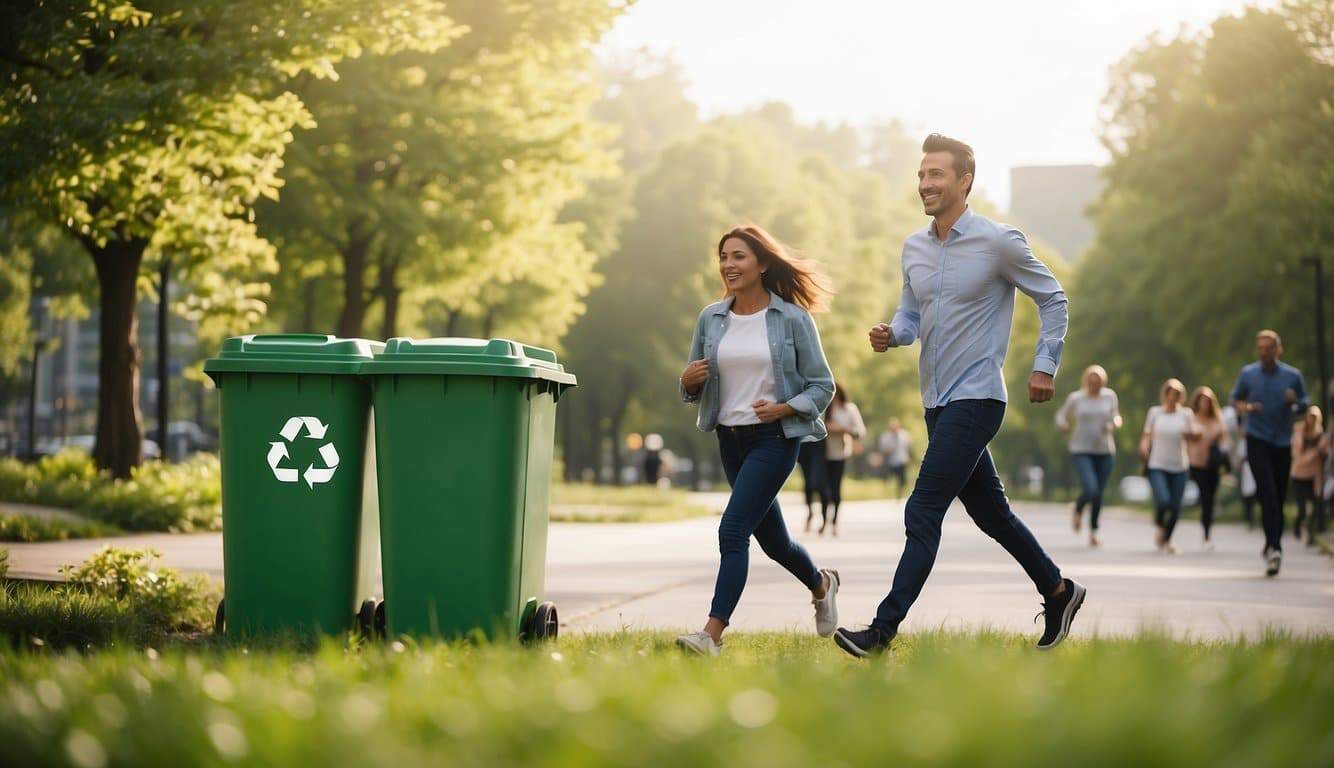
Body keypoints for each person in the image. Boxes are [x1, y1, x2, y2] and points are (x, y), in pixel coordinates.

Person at [834, 133, 1085, 658]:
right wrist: (893, 334)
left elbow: (1053, 298)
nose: (925, 183)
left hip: (978, 398)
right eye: (922, 175)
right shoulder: (914, 247)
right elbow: (911, 314)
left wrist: (1045, 365)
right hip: (937, 402)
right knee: (992, 514)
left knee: (923, 509)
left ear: (964, 181)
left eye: (936, 175)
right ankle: (1058, 591)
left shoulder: (998, 242)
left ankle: (881, 632)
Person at [676, 224, 840, 656]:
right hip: (729, 439)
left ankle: (711, 635)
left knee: (733, 531)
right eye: (724, 257)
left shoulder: (792, 319)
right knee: (775, 542)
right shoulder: (711, 318)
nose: (729, 265)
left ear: (763, 263)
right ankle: (822, 584)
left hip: (775, 438)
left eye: (739, 257)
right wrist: (688, 382)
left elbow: (823, 386)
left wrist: (786, 408)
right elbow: (693, 385)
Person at [1231, 329, 1309, 577]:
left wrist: (1294, 400)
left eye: (1269, 348)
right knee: (1267, 493)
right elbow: (1235, 400)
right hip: (1257, 439)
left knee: (1278, 494)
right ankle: (1275, 548)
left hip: (1282, 441)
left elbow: (1305, 404)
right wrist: (1245, 407)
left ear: (1279, 349)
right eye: (1261, 348)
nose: (1264, 352)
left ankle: (1271, 541)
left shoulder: (1292, 376)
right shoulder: (1248, 374)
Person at [1055, 364, 1121, 547]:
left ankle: (1093, 532)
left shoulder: (1109, 396)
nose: (1094, 385)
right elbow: (1061, 415)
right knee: (1090, 488)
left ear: (1103, 382)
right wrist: (1063, 424)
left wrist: (1114, 424)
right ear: (1086, 381)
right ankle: (1078, 507)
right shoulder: (1076, 398)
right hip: (1081, 449)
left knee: (1098, 493)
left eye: (1098, 382)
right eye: (1091, 381)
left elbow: (1116, 416)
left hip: (1105, 450)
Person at [1141, 379, 1197, 554]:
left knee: (1175, 506)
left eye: (1177, 395)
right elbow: (1147, 434)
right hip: (1157, 464)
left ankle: (1167, 540)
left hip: (1180, 466)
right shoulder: (1155, 413)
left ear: (1181, 397)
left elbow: (1195, 435)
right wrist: (1144, 446)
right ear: (1165, 395)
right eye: (1170, 394)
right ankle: (1160, 524)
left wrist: (1190, 433)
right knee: (1164, 501)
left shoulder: (1186, 414)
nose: (1173, 398)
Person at [1187, 386, 1230, 549]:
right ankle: (1205, 533)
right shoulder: (1191, 417)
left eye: (1208, 401)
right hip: (1196, 463)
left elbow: (1225, 441)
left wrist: (1219, 441)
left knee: (1210, 499)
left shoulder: (1217, 419)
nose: (1205, 403)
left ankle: (1207, 532)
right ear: (1197, 402)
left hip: (1213, 464)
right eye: (1202, 400)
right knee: (1205, 496)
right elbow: (1187, 435)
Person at [823, 383, 867, 536]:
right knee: (822, 488)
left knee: (835, 488)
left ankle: (834, 521)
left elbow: (860, 432)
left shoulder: (849, 409)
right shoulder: (823, 406)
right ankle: (823, 521)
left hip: (839, 454)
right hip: (820, 454)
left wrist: (842, 429)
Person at [1290, 406, 1328, 545]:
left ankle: (1311, 535)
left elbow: (1325, 455)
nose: (1312, 420)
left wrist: (1323, 449)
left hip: (1314, 476)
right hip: (1299, 475)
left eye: (1315, 417)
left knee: (1317, 506)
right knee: (1302, 510)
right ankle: (1297, 525)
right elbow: (1297, 456)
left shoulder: (1321, 435)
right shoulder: (1299, 433)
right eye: (1310, 416)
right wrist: (1315, 452)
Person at [796, 439, 830, 532]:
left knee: (819, 485)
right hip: (804, 446)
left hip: (819, 446)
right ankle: (810, 513)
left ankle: (824, 520)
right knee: (808, 485)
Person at [877, 417, 912, 497]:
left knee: (902, 480)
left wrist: (910, 458)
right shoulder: (885, 437)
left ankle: (899, 494)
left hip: (902, 460)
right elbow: (882, 451)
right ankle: (887, 493)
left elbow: (909, 448)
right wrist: (889, 450)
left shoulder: (905, 435)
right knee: (889, 478)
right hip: (891, 462)